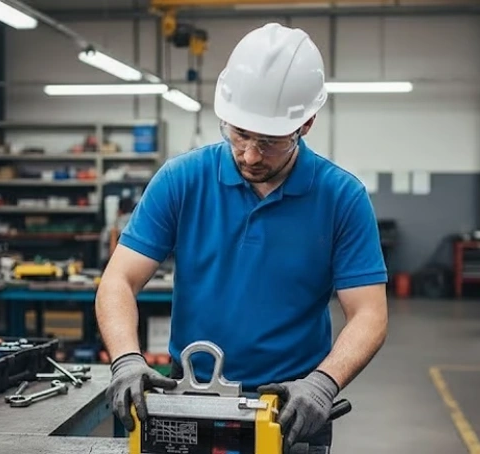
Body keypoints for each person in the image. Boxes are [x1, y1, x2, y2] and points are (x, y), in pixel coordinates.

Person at [95, 22, 388, 450]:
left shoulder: (341, 197)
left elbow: (369, 314)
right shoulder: (181, 180)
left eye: (269, 142)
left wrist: (323, 384)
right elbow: (118, 280)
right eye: (239, 133)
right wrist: (126, 359)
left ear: (305, 124)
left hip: (290, 410)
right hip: (188, 401)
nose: (250, 155)